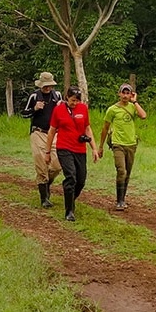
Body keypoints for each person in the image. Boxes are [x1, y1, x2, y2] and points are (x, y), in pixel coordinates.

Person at [45, 86, 100, 221]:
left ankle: (70, 198)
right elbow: (52, 131)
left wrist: (94, 148)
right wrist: (47, 152)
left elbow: (87, 128)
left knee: (81, 180)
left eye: (77, 100)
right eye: (72, 100)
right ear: (67, 98)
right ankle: (69, 211)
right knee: (71, 177)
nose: (75, 103)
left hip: (80, 149)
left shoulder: (83, 109)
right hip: (64, 147)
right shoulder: (58, 110)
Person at [98, 83, 147, 210]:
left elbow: (143, 116)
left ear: (131, 94)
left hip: (131, 144)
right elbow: (105, 128)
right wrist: (101, 146)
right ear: (119, 94)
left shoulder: (133, 107)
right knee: (121, 170)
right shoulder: (112, 109)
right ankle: (119, 201)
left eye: (127, 93)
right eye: (123, 93)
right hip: (117, 144)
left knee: (127, 173)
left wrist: (135, 102)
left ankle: (123, 198)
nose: (125, 96)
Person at [22, 72, 63, 208]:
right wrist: (35, 109)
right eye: (45, 86)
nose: (48, 88)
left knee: (57, 165)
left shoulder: (57, 96)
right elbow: (24, 113)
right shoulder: (34, 96)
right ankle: (44, 197)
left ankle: (46, 184)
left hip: (54, 132)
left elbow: (63, 113)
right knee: (41, 163)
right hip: (38, 132)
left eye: (50, 86)